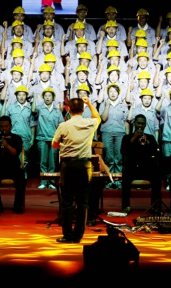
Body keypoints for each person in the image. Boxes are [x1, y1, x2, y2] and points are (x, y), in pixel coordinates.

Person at [51, 95, 101, 243]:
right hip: (84, 166)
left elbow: (54, 144)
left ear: (69, 110)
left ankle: (67, 235)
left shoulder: (64, 125)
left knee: (66, 202)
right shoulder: (89, 123)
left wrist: (64, 145)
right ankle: (78, 236)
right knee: (82, 202)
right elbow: (98, 117)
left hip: (68, 165)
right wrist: (89, 103)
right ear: (83, 110)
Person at [120, 115, 162, 214]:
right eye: (138, 123)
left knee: (157, 178)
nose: (140, 126)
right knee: (125, 178)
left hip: (146, 169)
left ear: (145, 125)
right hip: (132, 169)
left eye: (142, 124)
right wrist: (133, 138)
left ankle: (155, 206)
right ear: (134, 123)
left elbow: (156, 152)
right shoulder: (127, 138)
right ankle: (126, 206)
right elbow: (123, 151)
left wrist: (148, 143)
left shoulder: (150, 137)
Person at [0, 116, 26, 214]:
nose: (4, 128)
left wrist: (7, 145)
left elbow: (15, 152)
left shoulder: (17, 138)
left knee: (22, 181)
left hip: (13, 167)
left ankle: (17, 207)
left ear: (10, 126)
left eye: (6, 126)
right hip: (0, 168)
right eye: (2, 126)